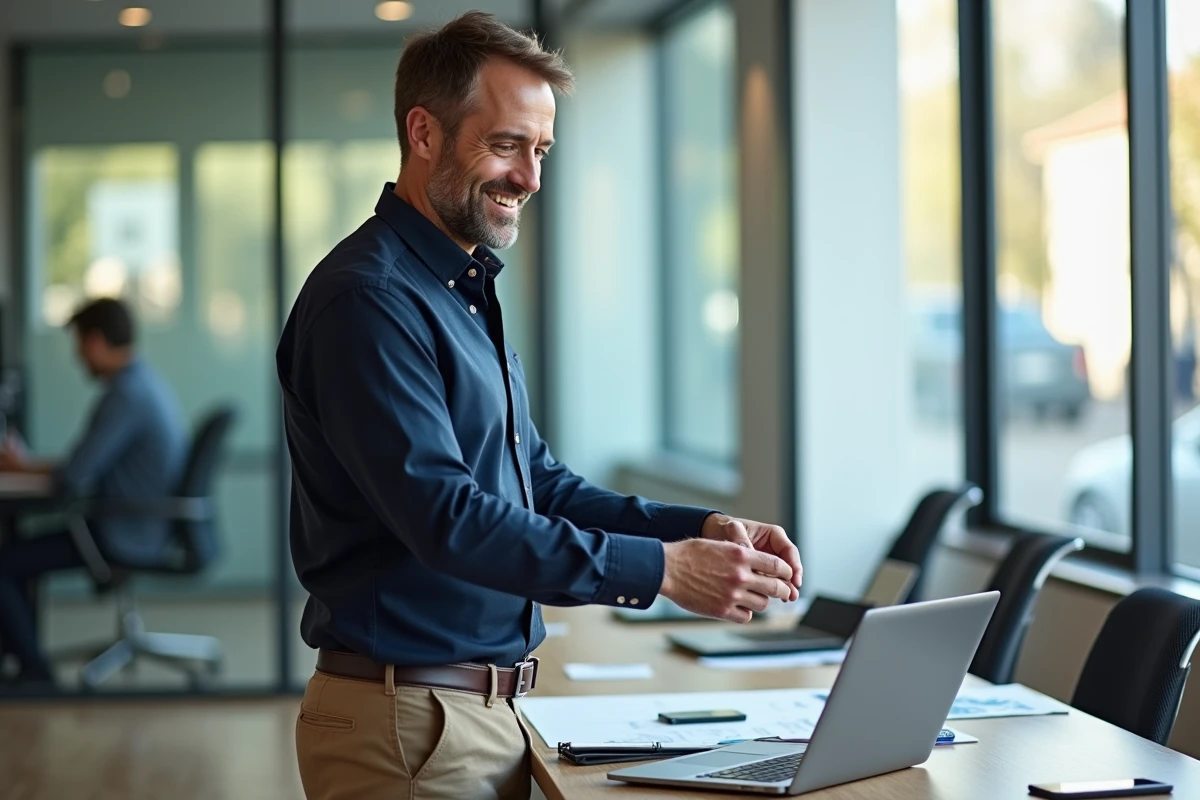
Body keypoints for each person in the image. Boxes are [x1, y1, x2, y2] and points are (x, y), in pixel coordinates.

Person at [277, 12, 803, 800]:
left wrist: (695, 530)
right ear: (424, 133)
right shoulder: (371, 301)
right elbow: (446, 518)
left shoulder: (457, 290)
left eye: (541, 150)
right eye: (505, 144)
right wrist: (663, 571)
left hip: (468, 712)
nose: (530, 177)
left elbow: (540, 485)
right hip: (410, 723)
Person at [0, 297, 187, 684]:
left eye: (80, 345)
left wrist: (24, 467)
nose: (78, 358)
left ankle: (34, 673)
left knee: (5, 563)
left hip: (124, 532)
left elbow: (74, 476)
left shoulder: (125, 396)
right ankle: (25, 659)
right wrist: (27, 467)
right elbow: (82, 465)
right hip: (141, 525)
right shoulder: (143, 383)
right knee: (17, 559)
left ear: (97, 341)